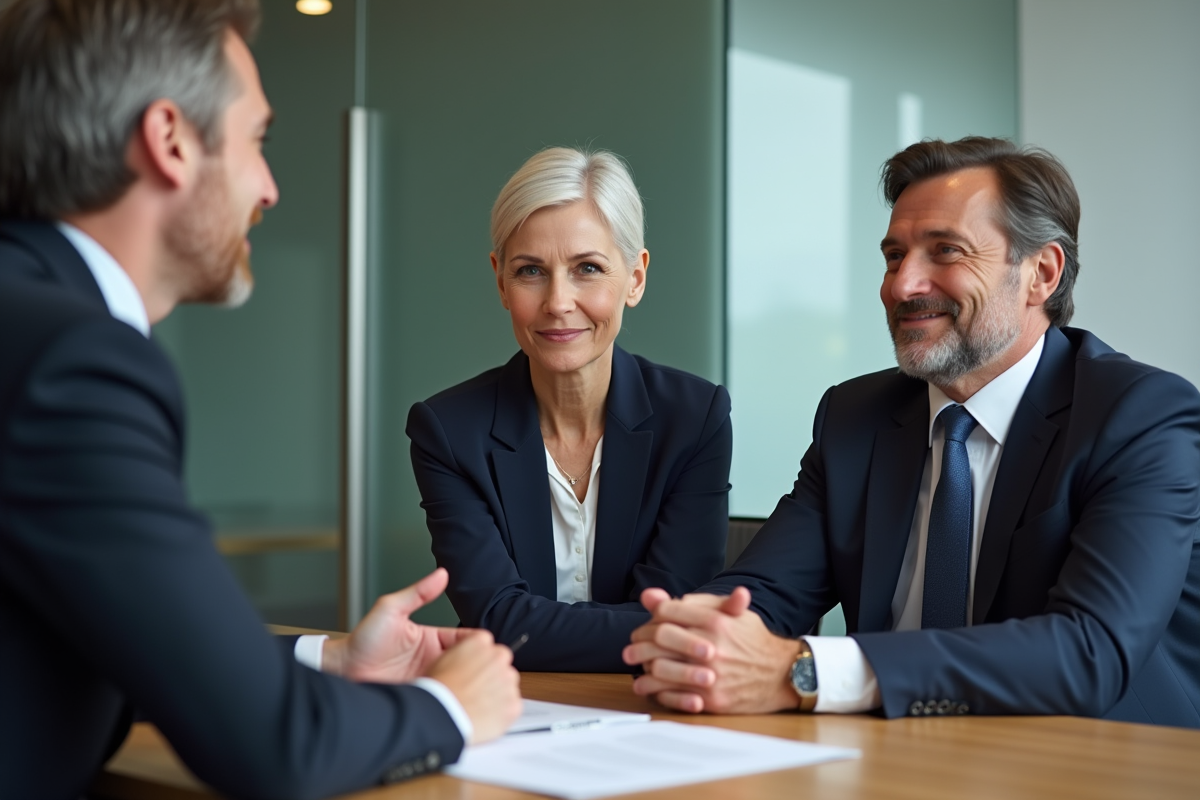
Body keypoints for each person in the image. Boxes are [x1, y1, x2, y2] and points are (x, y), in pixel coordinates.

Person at [0, 1, 520, 797]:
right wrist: (449, 708)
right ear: (170, 140)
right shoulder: (73, 362)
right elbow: (275, 749)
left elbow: (106, 633)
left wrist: (330, 659)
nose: (270, 189)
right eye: (257, 140)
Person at [623, 136, 1200, 728]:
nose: (902, 286)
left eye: (945, 252)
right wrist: (702, 637)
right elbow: (766, 592)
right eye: (894, 256)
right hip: (888, 757)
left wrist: (805, 671)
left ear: (1041, 273)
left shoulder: (1138, 415)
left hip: (1099, 760)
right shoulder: (856, 416)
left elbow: (1088, 653)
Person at [406, 147, 732, 672]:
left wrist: (534, 630)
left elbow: (676, 612)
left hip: (656, 713)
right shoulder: (448, 431)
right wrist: (655, 632)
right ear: (500, 281)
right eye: (531, 270)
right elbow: (496, 620)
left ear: (635, 278)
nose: (558, 301)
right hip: (511, 711)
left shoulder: (695, 420)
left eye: (587, 268)